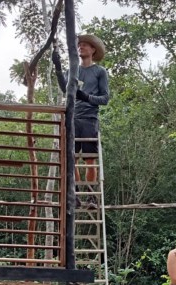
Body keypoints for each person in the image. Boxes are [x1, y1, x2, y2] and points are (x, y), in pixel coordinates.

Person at [51, 34, 111, 209]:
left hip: (89, 119)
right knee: (72, 158)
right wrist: (58, 68)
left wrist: (86, 97)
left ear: (93, 50)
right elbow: (64, 87)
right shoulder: (74, 69)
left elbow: (105, 98)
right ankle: (76, 194)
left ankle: (91, 196)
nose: (81, 47)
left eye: (85, 45)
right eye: (80, 45)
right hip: (73, 117)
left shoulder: (99, 71)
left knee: (90, 160)